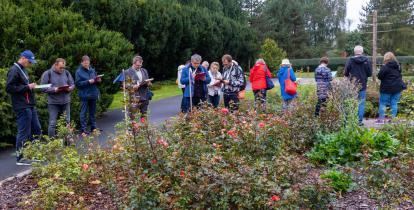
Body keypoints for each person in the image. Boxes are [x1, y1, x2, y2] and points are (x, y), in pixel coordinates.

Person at [6, 50, 41, 165]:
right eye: (29, 62)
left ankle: (33, 154)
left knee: (36, 129)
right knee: (24, 131)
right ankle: (20, 158)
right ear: (23, 58)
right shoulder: (14, 70)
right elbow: (9, 88)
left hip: (30, 104)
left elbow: (23, 86)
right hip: (22, 105)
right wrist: (27, 87)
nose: (30, 64)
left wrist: (30, 87)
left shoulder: (23, 69)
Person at [40, 58, 75, 138]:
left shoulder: (66, 72)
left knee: (67, 122)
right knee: (52, 123)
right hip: (53, 103)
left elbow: (72, 83)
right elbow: (42, 87)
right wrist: (54, 89)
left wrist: (70, 88)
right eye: (60, 67)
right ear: (55, 65)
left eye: (63, 67)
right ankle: (52, 144)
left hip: (66, 101)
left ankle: (67, 142)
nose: (62, 69)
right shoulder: (47, 73)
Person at [345, 45, 372, 126]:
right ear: (362, 52)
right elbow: (369, 73)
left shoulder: (350, 60)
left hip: (352, 85)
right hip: (362, 84)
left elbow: (346, 73)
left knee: (352, 102)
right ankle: (359, 121)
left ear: (354, 52)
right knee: (361, 103)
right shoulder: (366, 60)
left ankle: (352, 120)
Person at [75, 55, 101, 135]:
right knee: (84, 112)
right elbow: (77, 83)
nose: (87, 64)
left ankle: (93, 128)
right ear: (81, 63)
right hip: (84, 95)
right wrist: (88, 82)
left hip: (93, 93)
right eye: (85, 63)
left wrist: (98, 80)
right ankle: (83, 129)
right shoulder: (78, 72)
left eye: (88, 63)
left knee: (92, 112)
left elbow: (95, 81)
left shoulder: (92, 70)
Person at [376, 52, 405, 124]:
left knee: (383, 103)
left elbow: (379, 76)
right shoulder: (398, 66)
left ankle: (381, 120)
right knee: (394, 103)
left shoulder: (385, 67)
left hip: (386, 88)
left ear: (385, 58)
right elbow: (400, 75)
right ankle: (393, 120)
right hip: (397, 87)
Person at [125, 55, 152, 120]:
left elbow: (148, 82)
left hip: (144, 97)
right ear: (133, 63)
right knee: (133, 117)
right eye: (138, 65)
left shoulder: (144, 71)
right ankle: (134, 130)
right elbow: (125, 85)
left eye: (140, 65)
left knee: (144, 117)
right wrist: (132, 87)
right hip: (134, 98)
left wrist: (149, 83)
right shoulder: (127, 72)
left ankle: (144, 129)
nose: (139, 67)